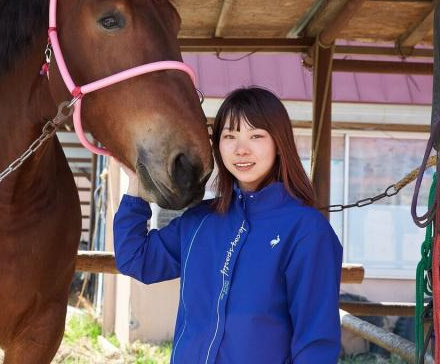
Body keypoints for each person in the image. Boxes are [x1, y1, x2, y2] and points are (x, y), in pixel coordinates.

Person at [114, 86, 342, 364]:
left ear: (279, 143)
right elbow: (136, 258)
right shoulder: (200, 221)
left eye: (256, 136)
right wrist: (137, 185)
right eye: (229, 136)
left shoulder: (306, 230)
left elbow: (315, 340)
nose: (241, 149)